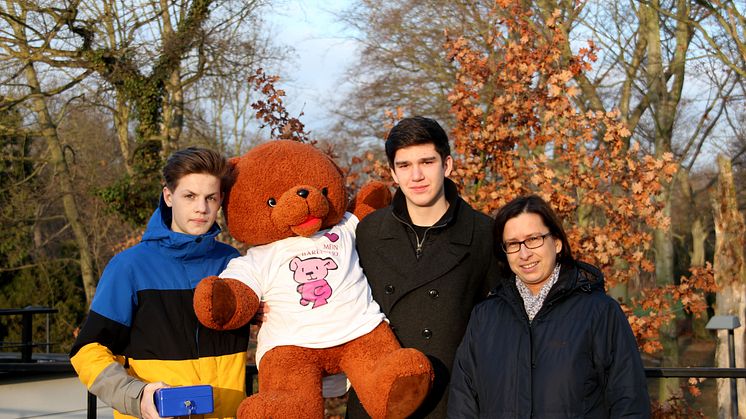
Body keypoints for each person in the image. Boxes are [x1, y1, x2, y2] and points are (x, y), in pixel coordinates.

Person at [70, 147, 248, 419]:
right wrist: (137, 397)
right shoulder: (129, 267)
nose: (202, 208)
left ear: (220, 199)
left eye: (210, 197)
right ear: (168, 196)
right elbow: (87, 351)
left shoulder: (234, 264)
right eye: (189, 196)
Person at [347, 116, 499, 418]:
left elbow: (502, 322)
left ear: (447, 165)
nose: (416, 175)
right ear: (393, 172)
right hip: (377, 399)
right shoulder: (367, 232)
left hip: (450, 399)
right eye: (404, 166)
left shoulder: (483, 234)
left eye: (427, 162)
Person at [447, 195, 651, 418]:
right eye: (513, 244)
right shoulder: (485, 316)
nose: (524, 254)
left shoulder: (599, 312)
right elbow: (463, 400)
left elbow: (629, 400)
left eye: (534, 239)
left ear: (557, 242)